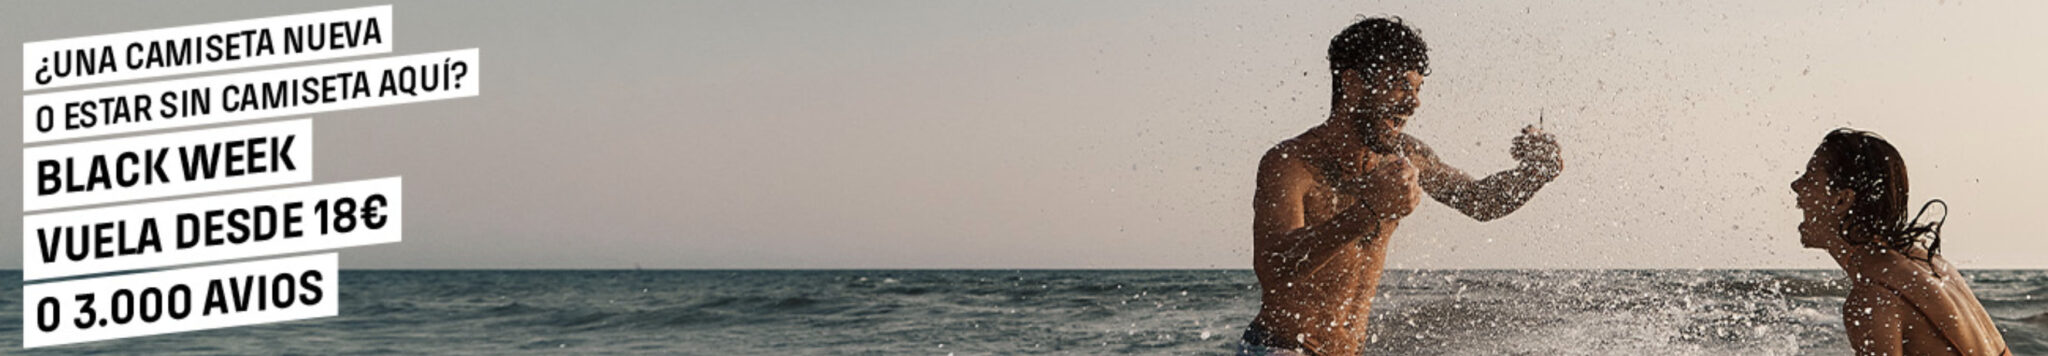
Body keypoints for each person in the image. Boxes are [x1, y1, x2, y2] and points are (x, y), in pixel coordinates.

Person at [1240, 17, 1564, 356]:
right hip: (1281, 349)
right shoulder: (1291, 162)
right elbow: (1274, 266)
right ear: (1352, 85)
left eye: (1418, 88)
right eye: (1399, 85)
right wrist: (1369, 211)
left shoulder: (1405, 154)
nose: (1414, 103)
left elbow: (1479, 201)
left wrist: (1535, 173)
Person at [1790, 128, 2010, 355]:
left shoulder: (1873, 298)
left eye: (1808, 177)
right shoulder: (1931, 265)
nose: (1795, 186)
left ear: (1841, 200)